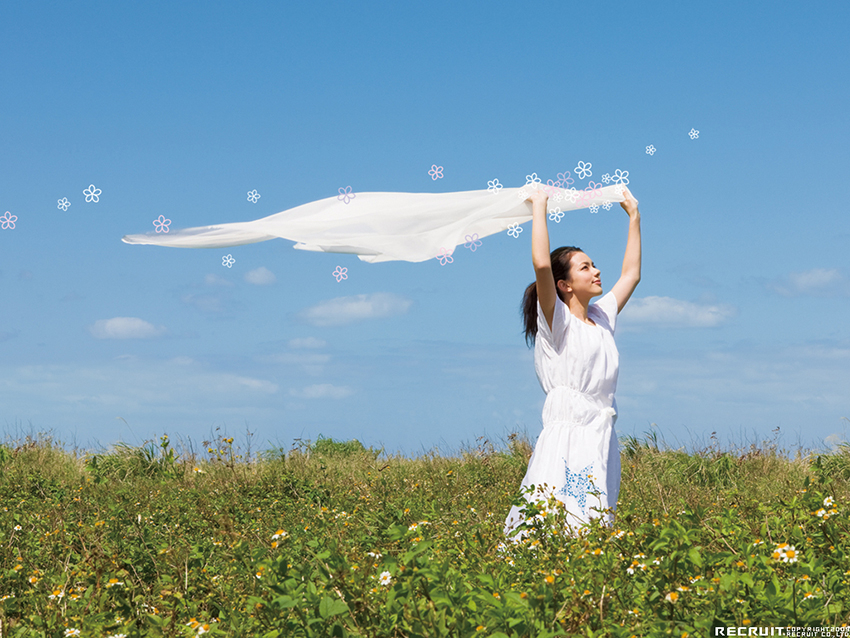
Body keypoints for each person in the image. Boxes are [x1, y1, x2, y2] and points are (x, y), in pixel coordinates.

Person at [503, 186, 641, 539]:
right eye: (585, 267)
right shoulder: (557, 322)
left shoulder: (602, 317)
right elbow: (541, 264)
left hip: (601, 433)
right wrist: (539, 208)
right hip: (569, 436)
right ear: (564, 285)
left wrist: (634, 217)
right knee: (560, 523)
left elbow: (631, 275)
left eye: (593, 264)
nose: (596, 271)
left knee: (594, 525)